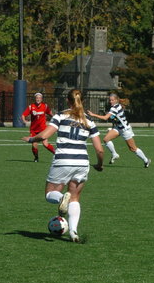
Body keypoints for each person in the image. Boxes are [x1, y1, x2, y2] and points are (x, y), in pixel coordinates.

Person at [22, 89, 103, 242]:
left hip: (63, 160)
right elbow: (99, 149)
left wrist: (31, 139)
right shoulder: (89, 121)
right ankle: (73, 232)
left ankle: (60, 199)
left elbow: (45, 135)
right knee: (75, 198)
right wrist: (99, 165)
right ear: (83, 101)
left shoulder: (60, 116)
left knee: (49, 193)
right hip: (82, 162)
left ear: (67, 101)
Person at [87, 93, 151, 168]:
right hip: (118, 128)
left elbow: (105, 118)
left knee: (132, 148)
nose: (110, 101)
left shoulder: (114, 108)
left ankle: (146, 160)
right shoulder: (116, 106)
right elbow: (114, 118)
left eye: (112, 100)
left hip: (125, 130)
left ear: (116, 100)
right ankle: (115, 154)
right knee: (106, 139)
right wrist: (113, 125)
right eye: (110, 100)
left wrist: (93, 115)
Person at [20, 92, 55, 162]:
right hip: (34, 130)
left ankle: (56, 154)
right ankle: (36, 158)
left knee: (45, 144)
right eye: (37, 98)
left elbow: (51, 114)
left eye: (39, 98)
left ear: (41, 99)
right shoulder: (31, 106)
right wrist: (24, 121)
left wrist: (56, 119)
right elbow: (23, 115)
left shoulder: (45, 106)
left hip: (43, 129)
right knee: (34, 145)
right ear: (35, 99)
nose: (38, 99)